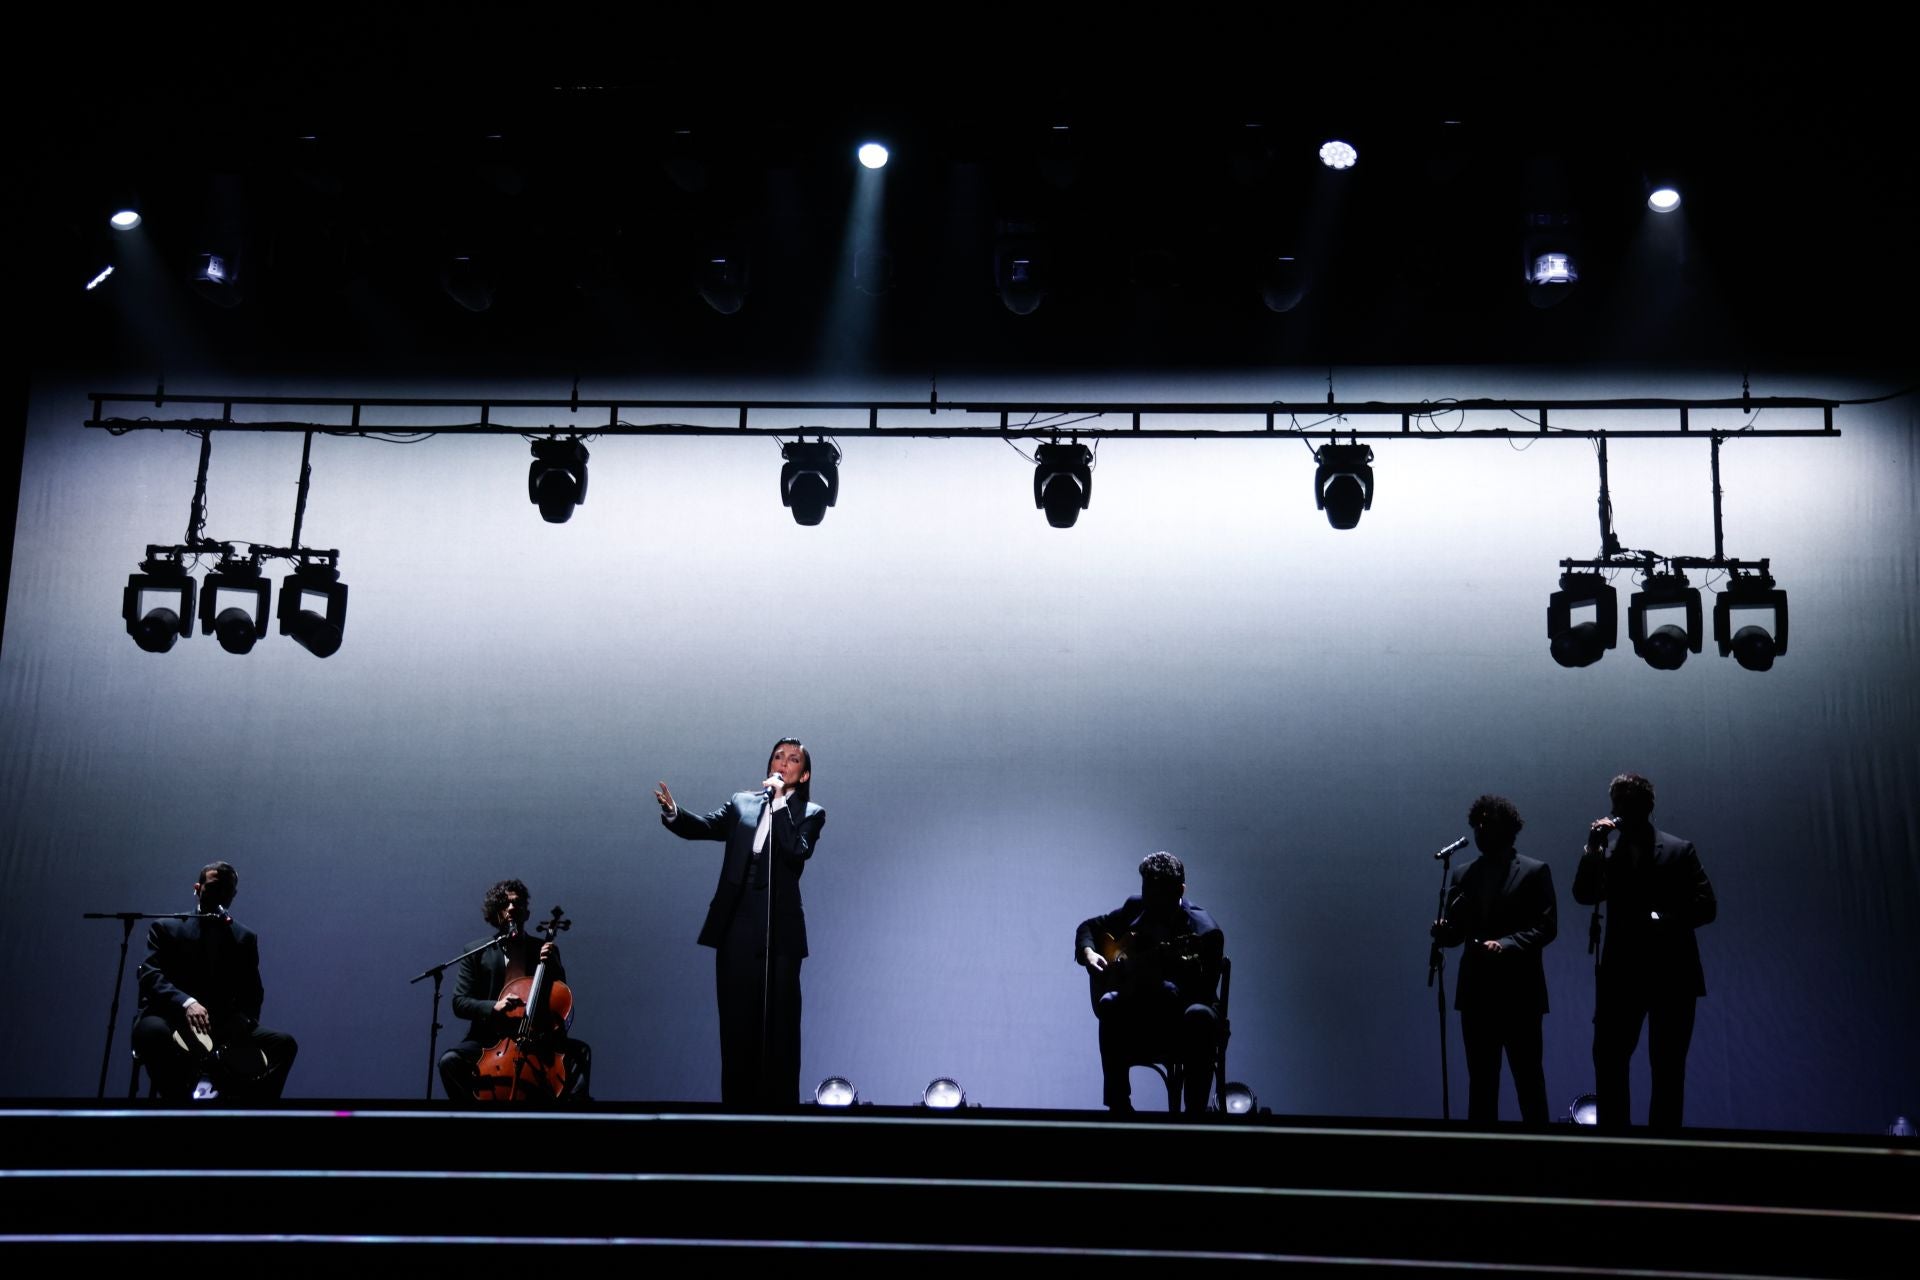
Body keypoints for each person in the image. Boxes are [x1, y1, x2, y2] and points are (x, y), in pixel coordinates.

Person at [654, 737, 826, 1108]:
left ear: (804, 773)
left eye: (792, 759)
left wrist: (780, 802)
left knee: (779, 1028)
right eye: (777, 756)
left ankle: (781, 1113)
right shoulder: (741, 802)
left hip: (780, 928)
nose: (782, 762)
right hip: (737, 923)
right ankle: (735, 1113)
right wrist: (674, 812)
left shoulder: (810, 812)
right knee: (736, 1025)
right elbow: (704, 827)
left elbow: (796, 850)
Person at [1573, 772, 1717, 1130]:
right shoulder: (1608, 852)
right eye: (1616, 804)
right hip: (1621, 974)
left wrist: (1661, 919)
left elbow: (1706, 905)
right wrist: (1592, 847)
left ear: (1647, 807)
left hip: (1672, 974)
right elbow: (1584, 894)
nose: (1620, 812)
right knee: (1608, 1061)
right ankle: (1615, 1145)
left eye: (1628, 804)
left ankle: (1662, 1152)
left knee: (1668, 1067)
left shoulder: (1678, 850)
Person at [1431, 795, 1558, 1124]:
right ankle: (1482, 1162)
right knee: (1481, 1085)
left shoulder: (1534, 871)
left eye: (1488, 823)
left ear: (1508, 827)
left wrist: (1506, 944)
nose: (1480, 830)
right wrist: (1445, 932)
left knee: (1529, 1082)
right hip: (1477, 995)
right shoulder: (1462, 874)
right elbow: (1458, 933)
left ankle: (1542, 1158)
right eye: (1477, 824)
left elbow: (1546, 927)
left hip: (1520, 995)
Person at [132, 861, 298, 1101]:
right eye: (214, 887)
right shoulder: (167, 927)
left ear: (234, 894)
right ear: (197, 888)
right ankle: (176, 1105)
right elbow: (150, 974)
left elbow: (253, 992)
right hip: (169, 1016)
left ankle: (246, 1111)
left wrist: (242, 1020)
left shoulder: (243, 938)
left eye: (227, 889)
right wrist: (187, 1003)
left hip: (219, 1023)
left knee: (283, 1045)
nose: (221, 894)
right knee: (153, 1033)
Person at [1075, 852, 1224, 1114]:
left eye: (1159, 895)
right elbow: (1088, 928)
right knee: (1109, 1002)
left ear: (1180, 890)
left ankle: (1194, 1117)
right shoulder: (1137, 906)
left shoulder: (1205, 933)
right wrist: (1089, 954)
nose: (1151, 903)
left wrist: (1160, 978)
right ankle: (1119, 1107)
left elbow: (1202, 991)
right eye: (1147, 892)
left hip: (1183, 1023)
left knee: (1198, 1014)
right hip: (1141, 1014)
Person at [438, 878, 592, 1102]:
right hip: (488, 1040)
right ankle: (474, 1118)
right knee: (450, 1062)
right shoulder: (475, 951)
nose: (511, 907)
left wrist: (554, 967)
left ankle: (571, 1118)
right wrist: (494, 1007)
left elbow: (560, 998)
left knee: (580, 1052)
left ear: (526, 913)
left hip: (536, 1039)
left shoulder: (544, 950)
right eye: (504, 903)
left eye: (517, 903)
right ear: (495, 912)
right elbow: (459, 1002)